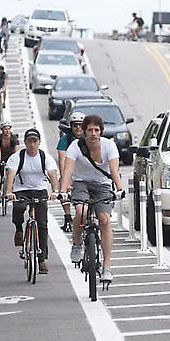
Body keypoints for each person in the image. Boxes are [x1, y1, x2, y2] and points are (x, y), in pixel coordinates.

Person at [59, 115, 124, 283]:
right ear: (84, 132)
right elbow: (67, 171)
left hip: (102, 184)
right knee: (81, 210)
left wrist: (119, 189)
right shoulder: (75, 146)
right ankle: (77, 244)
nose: (93, 134)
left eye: (96, 130)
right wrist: (62, 191)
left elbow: (114, 170)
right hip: (81, 183)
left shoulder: (109, 146)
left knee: (104, 220)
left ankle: (107, 267)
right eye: (90, 130)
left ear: (101, 131)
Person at [4, 129, 60, 274]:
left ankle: (42, 260)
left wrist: (55, 191)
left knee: (42, 224)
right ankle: (18, 230)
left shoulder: (44, 157)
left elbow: (52, 174)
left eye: (35, 141)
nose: (32, 144)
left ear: (39, 142)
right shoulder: (17, 157)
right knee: (18, 208)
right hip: (21, 189)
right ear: (25, 142)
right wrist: (9, 192)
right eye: (29, 141)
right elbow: (11, 174)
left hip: (39, 189)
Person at [56, 111, 85, 232]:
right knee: (62, 185)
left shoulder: (89, 138)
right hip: (70, 169)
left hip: (85, 170)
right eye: (75, 125)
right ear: (71, 127)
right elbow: (62, 160)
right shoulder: (65, 139)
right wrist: (65, 180)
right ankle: (67, 217)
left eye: (80, 125)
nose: (78, 128)